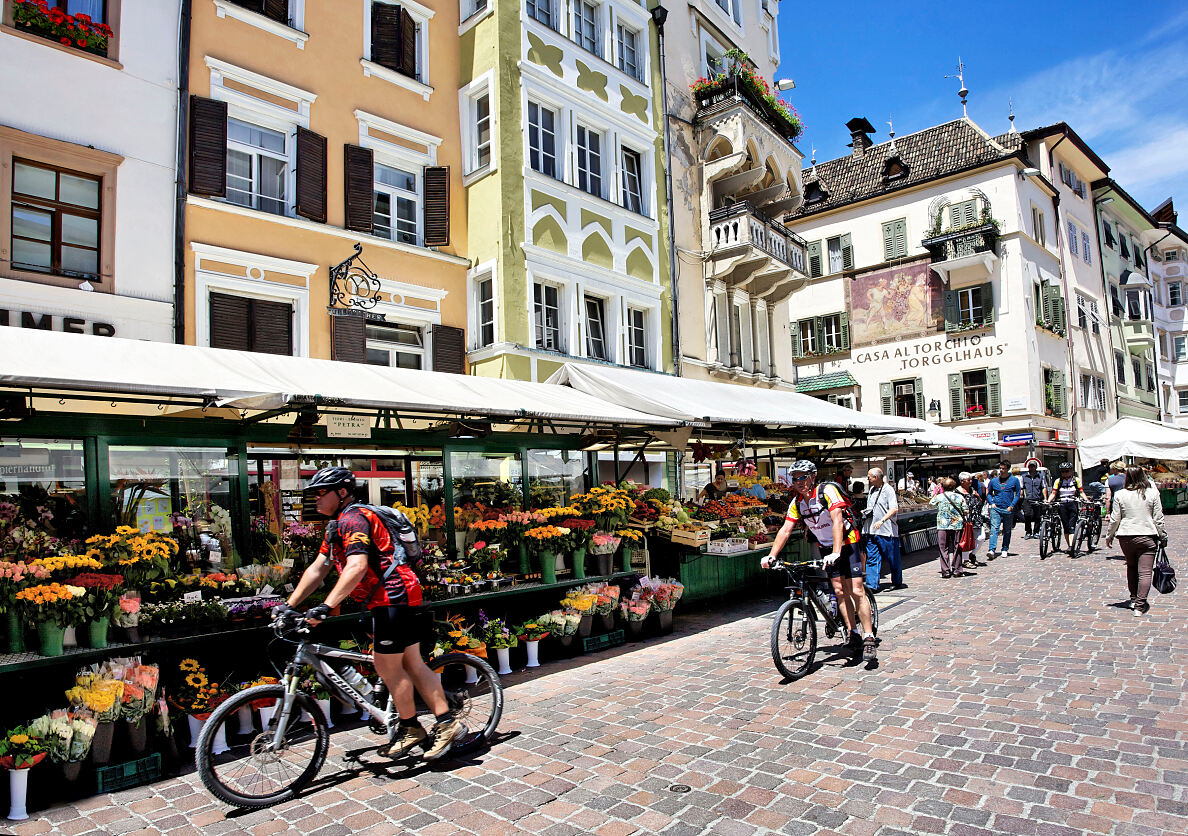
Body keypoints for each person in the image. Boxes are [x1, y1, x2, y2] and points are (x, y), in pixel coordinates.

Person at [281, 467, 461, 760]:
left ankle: (413, 727)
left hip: (394, 596)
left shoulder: (354, 519)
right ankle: (441, 721)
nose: (314, 498)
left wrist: (325, 607)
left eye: (319, 492)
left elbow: (357, 566)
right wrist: (289, 605)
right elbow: (319, 568)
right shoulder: (336, 525)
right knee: (412, 663)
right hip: (392, 596)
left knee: (389, 666)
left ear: (341, 493)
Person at [762, 460, 876, 663]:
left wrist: (836, 552)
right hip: (826, 547)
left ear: (813, 477)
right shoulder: (797, 503)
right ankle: (853, 632)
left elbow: (837, 521)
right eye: (795, 478)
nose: (799, 482)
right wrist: (772, 555)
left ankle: (868, 636)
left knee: (856, 589)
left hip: (848, 543)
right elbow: (786, 530)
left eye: (803, 477)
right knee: (839, 591)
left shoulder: (828, 491)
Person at [1105, 466, 1168, 616]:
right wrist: (1163, 536)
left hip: (1126, 537)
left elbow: (1115, 519)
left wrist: (1109, 536)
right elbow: (1158, 519)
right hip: (1147, 535)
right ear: (1143, 477)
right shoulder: (1152, 493)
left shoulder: (1120, 494)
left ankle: (1133, 599)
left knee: (1131, 567)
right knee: (1145, 572)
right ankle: (1139, 606)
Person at [864, 467, 902, 591]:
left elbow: (894, 508)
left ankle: (897, 581)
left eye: (869, 476)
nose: (868, 479)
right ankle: (872, 585)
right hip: (871, 530)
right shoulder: (871, 490)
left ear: (876, 477)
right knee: (872, 558)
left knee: (892, 558)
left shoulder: (888, 490)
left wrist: (882, 520)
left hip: (886, 531)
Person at [1047, 462, 1087, 554]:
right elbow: (1053, 493)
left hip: (1073, 503)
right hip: (1062, 504)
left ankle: (1071, 546)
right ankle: (1070, 545)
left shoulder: (1076, 480)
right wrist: (1048, 501)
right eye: (1062, 471)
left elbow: (1081, 492)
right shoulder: (1058, 481)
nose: (1064, 473)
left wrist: (1086, 500)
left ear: (1071, 471)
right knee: (1065, 525)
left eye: (1067, 471)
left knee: (1071, 525)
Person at [930, 477, 966, 578]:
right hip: (957, 525)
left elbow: (931, 503)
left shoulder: (940, 497)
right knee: (957, 547)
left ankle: (945, 571)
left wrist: (936, 492)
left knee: (943, 548)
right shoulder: (959, 497)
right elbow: (966, 510)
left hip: (942, 525)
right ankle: (957, 570)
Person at [985, 461, 1022, 559]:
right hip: (996, 507)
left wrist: (1012, 505)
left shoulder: (1014, 480)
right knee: (994, 529)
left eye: (1003, 468)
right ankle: (991, 550)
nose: (1001, 470)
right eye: (1000, 468)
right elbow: (988, 493)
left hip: (1008, 508)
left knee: (1007, 530)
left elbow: (1018, 494)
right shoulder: (993, 481)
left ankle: (1005, 548)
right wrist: (991, 503)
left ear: (1008, 469)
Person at [957, 472, 987, 569]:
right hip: (965, 519)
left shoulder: (972, 490)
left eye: (971, 479)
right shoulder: (957, 492)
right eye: (968, 480)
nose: (971, 482)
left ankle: (972, 554)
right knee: (966, 539)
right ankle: (965, 560)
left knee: (982, 537)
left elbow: (980, 502)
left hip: (976, 517)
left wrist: (978, 496)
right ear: (962, 481)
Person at [1020, 460, 1049, 539]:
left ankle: (1036, 532)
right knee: (1027, 515)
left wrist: (1045, 498)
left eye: (1033, 466)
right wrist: (1020, 496)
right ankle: (1028, 531)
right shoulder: (1024, 477)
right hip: (1027, 499)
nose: (1031, 468)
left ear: (1036, 467)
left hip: (1037, 499)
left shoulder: (1040, 476)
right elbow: (1022, 488)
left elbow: (1043, 487)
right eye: (1030, 466)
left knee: (1037, 516)